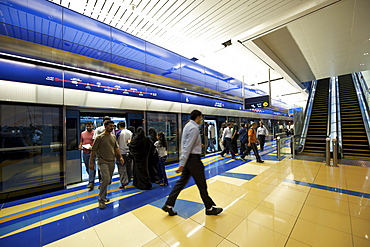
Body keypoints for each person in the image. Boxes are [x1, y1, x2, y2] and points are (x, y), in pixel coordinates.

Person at [162, 110, 223, 216]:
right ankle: (209, 208)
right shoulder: (194, 128)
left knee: (180, 183)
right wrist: (182, 163)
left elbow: (186, 143)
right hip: (193, 160)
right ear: (198, 117)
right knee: (202, 185)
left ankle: (168, 205)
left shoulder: (187, 126)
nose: (201, 120)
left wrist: (197, 147)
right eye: (201, 118)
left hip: (189, 160)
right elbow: (188, 146)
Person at [90, 120, 124, 209]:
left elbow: (116, 148)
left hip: (111, 161)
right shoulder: (99, 138)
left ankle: (104, 197)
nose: (112, 127)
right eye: (110, 126)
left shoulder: (113, 137)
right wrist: (91, 162)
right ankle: (101, 199)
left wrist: (120, 157)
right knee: (106, 178)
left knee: (107, 180)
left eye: (113, 126)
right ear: (105, 126)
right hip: (102, 161)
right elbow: (93, 151)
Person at [79, 121, 98, 191]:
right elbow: (81, 141)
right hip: (85, 152)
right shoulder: (82, 133)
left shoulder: (95, 133)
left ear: (92, 126)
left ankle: (91, 182)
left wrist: (92, 147)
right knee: (87, 167)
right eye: (87, 126)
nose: (88, 127)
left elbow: (96, 142)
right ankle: (92, 177)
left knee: (91, 166)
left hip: (92, 152)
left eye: (89, 126)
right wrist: (80, 145)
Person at [117, 121, 133, 189]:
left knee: (121, 167)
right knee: (129, 166)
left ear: (119, 126)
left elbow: (116, 143)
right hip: (129, 151)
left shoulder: (119, 133)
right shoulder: (130, 132)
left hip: (121, 152)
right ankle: (129, 178)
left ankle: (124, 182)